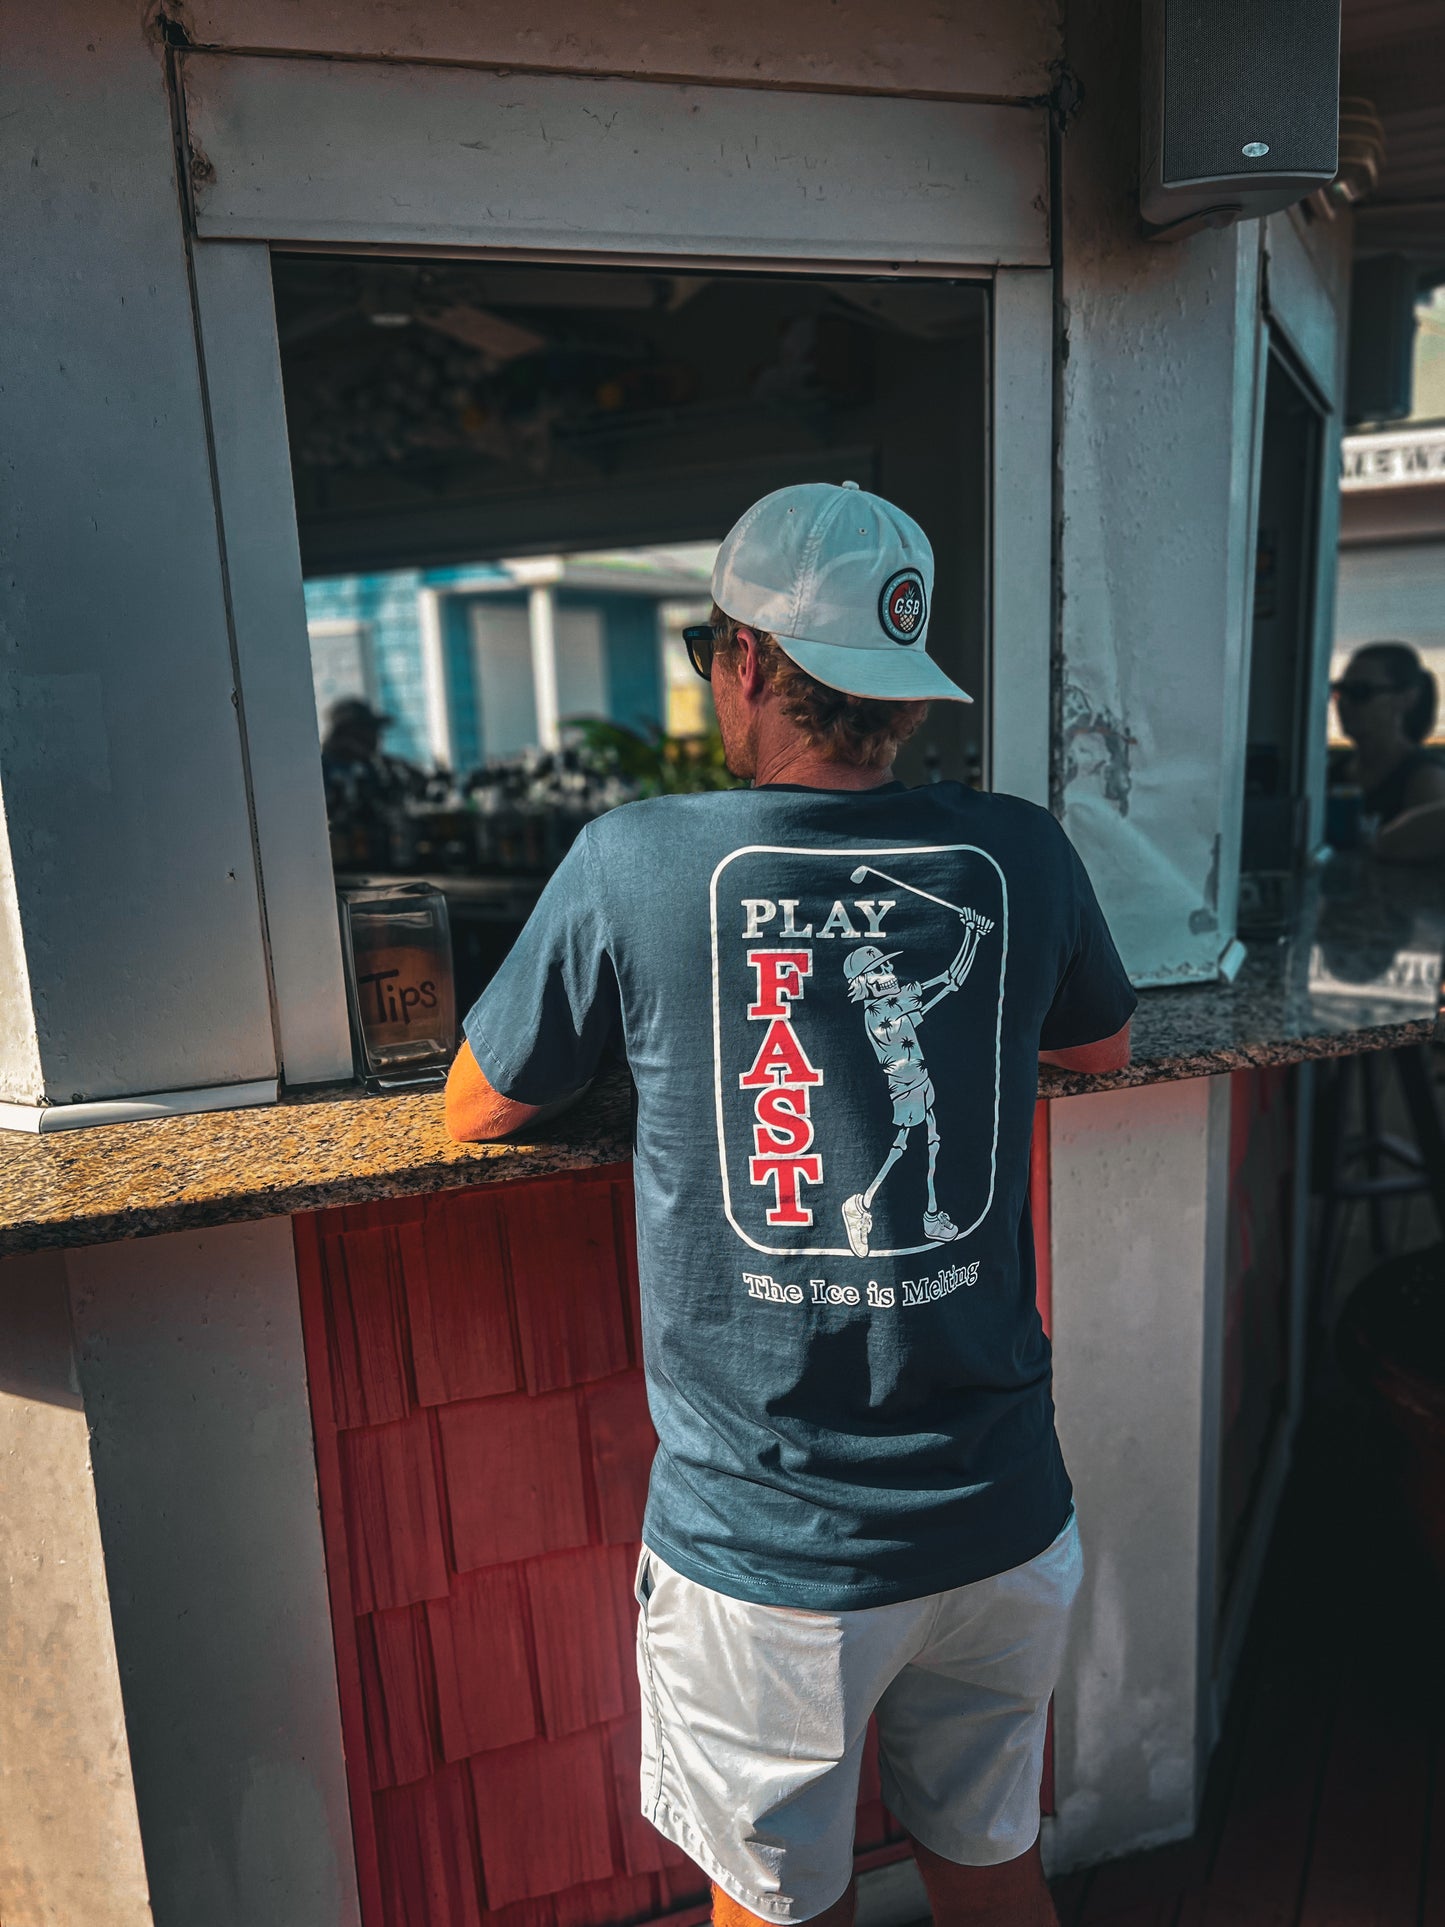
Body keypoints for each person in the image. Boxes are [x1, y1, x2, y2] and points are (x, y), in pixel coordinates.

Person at [446, 482, 1136, 1927]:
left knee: (774, 1905)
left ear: (748, 661)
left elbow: (476, 1103)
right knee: (991, 1862)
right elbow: (1098, 1044)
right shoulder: (1015, 850)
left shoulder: (636, 859)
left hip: (775, 1553)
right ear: (896, 687)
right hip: (1003, 1510)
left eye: (711, 656)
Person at [1330, 642, 1445, 827]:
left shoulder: (1426, 782)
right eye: (1340, 690)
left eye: (1361, 692)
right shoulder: (1332, 775)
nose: (1344, 703)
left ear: (1407, 698)